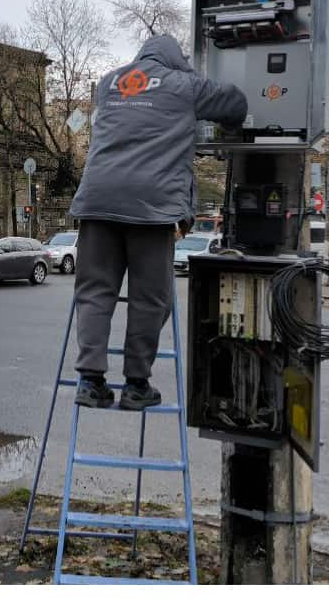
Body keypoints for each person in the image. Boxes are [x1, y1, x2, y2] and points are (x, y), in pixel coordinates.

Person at [69, 34, 247, 410]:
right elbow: (235, 102)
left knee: (94, 292)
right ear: (175, 59)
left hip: (97, 202)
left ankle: (89, 381)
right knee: (151, 298)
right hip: (150, 207)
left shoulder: (108, 83)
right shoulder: (185, 84)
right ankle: (136, 385)